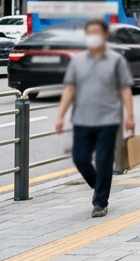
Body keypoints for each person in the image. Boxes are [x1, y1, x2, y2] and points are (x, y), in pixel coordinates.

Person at [54, 20, 135, 218]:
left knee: (103, 159)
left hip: (108, 119)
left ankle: (100, 202)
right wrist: (60, 115)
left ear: (105, 35)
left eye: (96, 32)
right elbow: (70, 88)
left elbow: (125, 88)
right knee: (80, 158)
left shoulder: (116, 60)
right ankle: (99, 184)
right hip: (82, 118)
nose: (93, 36)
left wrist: (130, 116)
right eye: (89, 32)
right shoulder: (77, 61)